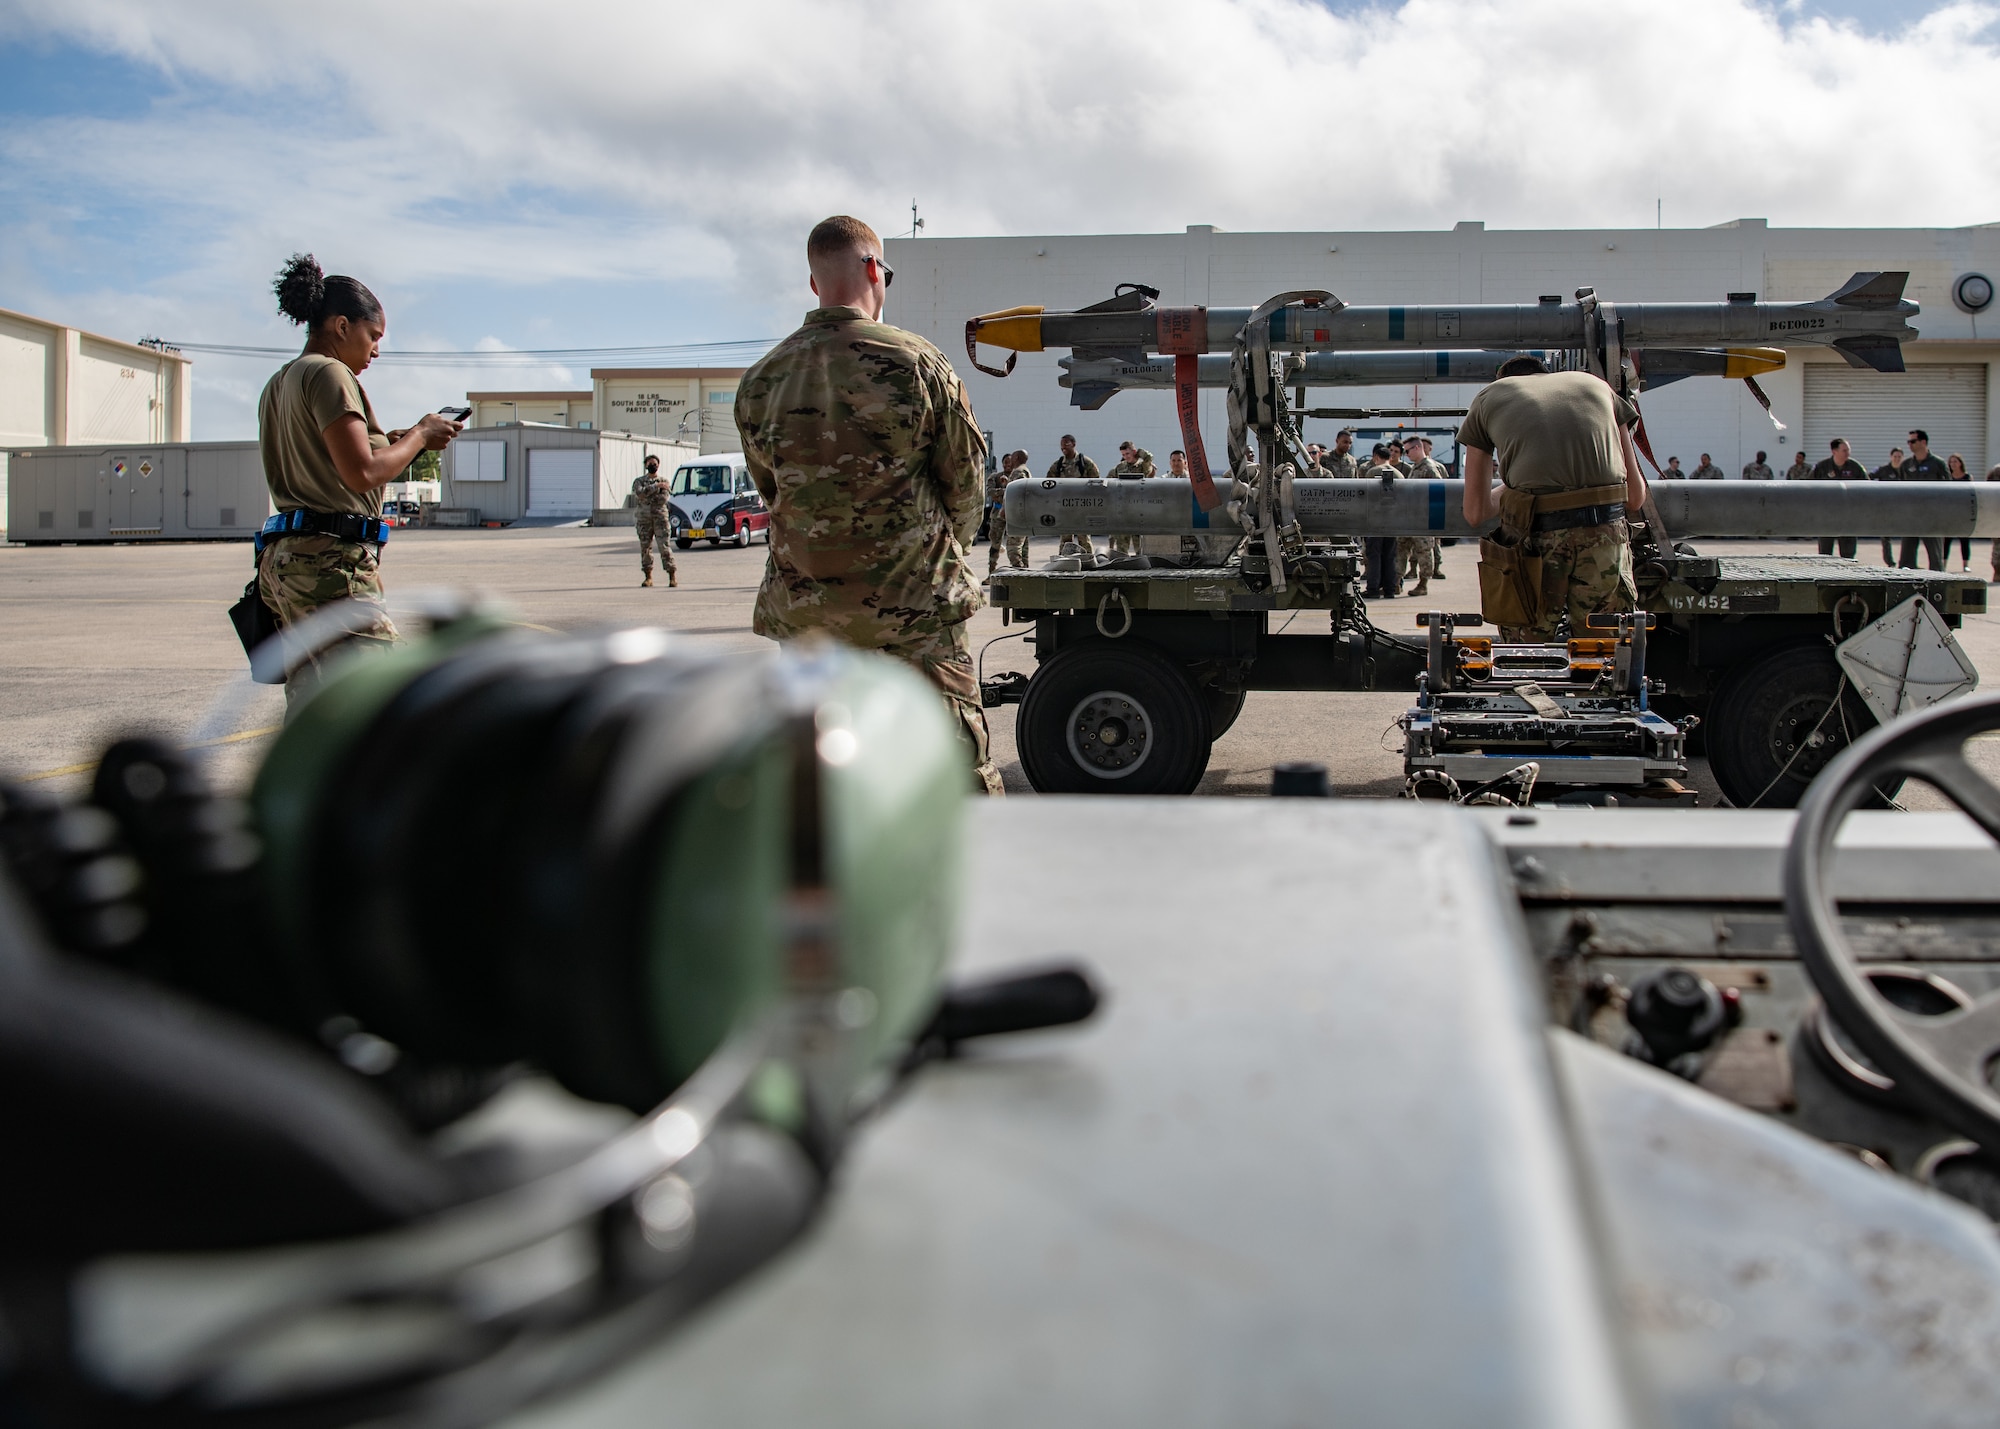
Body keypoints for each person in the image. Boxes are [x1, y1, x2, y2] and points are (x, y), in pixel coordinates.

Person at [733, 214, 1002, 797]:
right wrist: (931, 551)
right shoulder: (918, 363)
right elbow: (965, 489)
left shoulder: (762, 379)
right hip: (914, 616)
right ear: (875, 269)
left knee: (818, 787)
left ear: (814, 284)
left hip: (807, 622)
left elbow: (773, 492)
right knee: (955, 778)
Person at [257, 253, 460, 712]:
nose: (376, 350)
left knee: (317, 704)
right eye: (373, 336)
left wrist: (400, 442)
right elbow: (363, 472)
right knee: (389, 696)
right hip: (330, 565)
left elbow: (331, 460)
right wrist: (422, 434)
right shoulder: (330, 373)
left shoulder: (280, 381)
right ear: (342, 326)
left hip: (287, 563)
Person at [1459, 354, 1644, 642]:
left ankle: (1531, 683)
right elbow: (1636, 497)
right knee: (1604, 652)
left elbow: (1475, 511)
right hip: (1606, 537)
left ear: (1504, 381)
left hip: (1538, 540)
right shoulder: (1598, 386)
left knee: (1527, 655)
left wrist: (1522, 487)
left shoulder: (1489, 397)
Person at [1399, 437, 1449, 596]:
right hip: (1410, 517)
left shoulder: (1429, 468)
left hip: (1423, 518)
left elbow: (1440, 493)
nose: (1406, 455)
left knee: (1424, 551)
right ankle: (1396, 581)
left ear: (1416, 448)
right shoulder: (1416, 467)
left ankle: (1423, 583)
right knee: (1401, 549)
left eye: (1407, 451)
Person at [1046, 434, 1101, 566]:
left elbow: (1096, 482)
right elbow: (1049, 483)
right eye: (1061, 445)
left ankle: (1089, 564)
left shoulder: (1085, 463)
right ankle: (1063, 564)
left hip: (1082, 508)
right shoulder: (1058, 465)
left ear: (1074, 444)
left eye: (1066, 444)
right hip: (1064, 508)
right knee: (1065, 540)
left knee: (1084, 539)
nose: (1063, 447)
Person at [1898, 429, 1949, 571]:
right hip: (1911, 516)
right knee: (1906, 560)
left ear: (1923, 442)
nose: (1910, 444)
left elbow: (1949, 490)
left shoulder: (1938, 464)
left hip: (1932, 516)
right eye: (1908, 442)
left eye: (1913, 441)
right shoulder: (1906, 465)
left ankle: (1938, 587)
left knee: (1935, 559)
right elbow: (1900, 490)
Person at [1809, 438, 1865, 558]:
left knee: (1848, 554)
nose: (1848, 453)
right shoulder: (1822, 467)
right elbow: (1808, 487)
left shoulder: (1855, 467)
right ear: (1834, 451)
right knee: (1825, 554)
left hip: (1849, 516)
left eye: (1848, 450)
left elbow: (1867, 488)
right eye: (1844, 450)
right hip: (1827, 516)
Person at [631, 454, 678, 589]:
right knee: (645, 548)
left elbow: (663, 499)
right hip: (644, 520)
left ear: (658, 465)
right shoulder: (639, 481)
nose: (653, 465)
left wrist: (649, 493)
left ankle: (672, 575)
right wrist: (656, 487)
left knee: (665, 547)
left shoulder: (665, 481)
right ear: (645, 465)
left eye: (655, 463)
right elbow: (639, 494)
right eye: (650, 463)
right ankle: (648, 577)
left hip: (660, 519)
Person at [1362, 444, 1401, 598]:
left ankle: (1373, 588)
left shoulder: (1372, 472)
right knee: (1390, 555)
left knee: (1374, 555)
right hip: (1393, 521)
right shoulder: (1398, 474)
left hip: (1375, 521)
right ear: (1389, 458)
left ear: (1376, 457)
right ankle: (1390, 589)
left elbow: (1366, 496)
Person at [1106, 440, 1156, 558]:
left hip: (1139, 510)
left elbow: (1149, 457)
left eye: (1127, 454)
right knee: (1122, 545)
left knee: (1140, 545)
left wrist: (1139, 452)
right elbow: (1109, 482)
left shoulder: (1142, 466)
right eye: (1123, 455)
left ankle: (1142, 565)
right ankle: (1122, 566)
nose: (1125, 457)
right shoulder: (1120, 467)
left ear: (1133, 452)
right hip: (1123, 509)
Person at [986, 450, 1030, 572]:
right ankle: (992, 571)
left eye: (1010, 462)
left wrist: (1004, 489)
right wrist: (1005, 489)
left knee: (1020, 544)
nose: (1008, 465)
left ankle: (1024, 569)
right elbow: (990, 492)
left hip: (1013, 513)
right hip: (998, 513)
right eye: (1005, 462)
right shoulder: (995, 477)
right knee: (995, 543)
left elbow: (1016, 491)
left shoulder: (1018, 474)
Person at [1947, 452, 1973, 571]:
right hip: (1950, 512)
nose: (1953, 464)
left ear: (1960, 463)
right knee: (1946, 539)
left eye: (1955, 461)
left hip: (1963, 512)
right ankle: (1944, 563)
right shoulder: (1947, 477)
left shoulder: (1967, 477)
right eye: (1951, 462)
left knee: (1964, 539)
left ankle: (1965, 564)